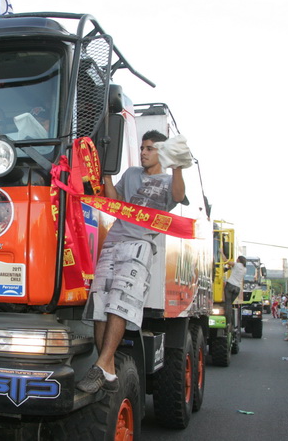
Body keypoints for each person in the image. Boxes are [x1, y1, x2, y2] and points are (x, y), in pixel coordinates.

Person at [77, 130, 186, 394]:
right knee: (100, 306)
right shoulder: (131, 174)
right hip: (113, 241)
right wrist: (107, 175)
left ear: (161, 151)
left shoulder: (168, 180)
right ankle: (107, 369)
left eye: (149, 148)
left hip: (139, 245)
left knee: (119, 304)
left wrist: (178, 167)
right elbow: (115, 202)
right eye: (142, 148)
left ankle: (102, 365)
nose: (143, 152)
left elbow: (178, 196)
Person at [224, 256, 249, 327]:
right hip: (237, 288)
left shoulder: (237, 265)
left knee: (227, 304)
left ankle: (228, 322)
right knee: (230, 304)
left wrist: (221, 252)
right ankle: (230, 322)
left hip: (230, 285)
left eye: (237, 259)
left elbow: (226, 260)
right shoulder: (244, 269)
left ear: (239, 260)